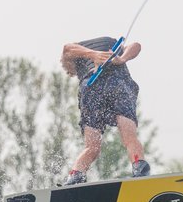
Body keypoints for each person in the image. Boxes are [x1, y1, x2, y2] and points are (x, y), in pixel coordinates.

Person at [59, 36, 151, 186]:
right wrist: (118, 58)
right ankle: (139, 166)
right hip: (115, 84)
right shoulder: (111, 45)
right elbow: (136, 45)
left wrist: (120, 59)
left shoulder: (77, 50)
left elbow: (67, 48)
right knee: (129, 138)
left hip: (96, 85)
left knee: (91, 147)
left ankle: (76, 175)